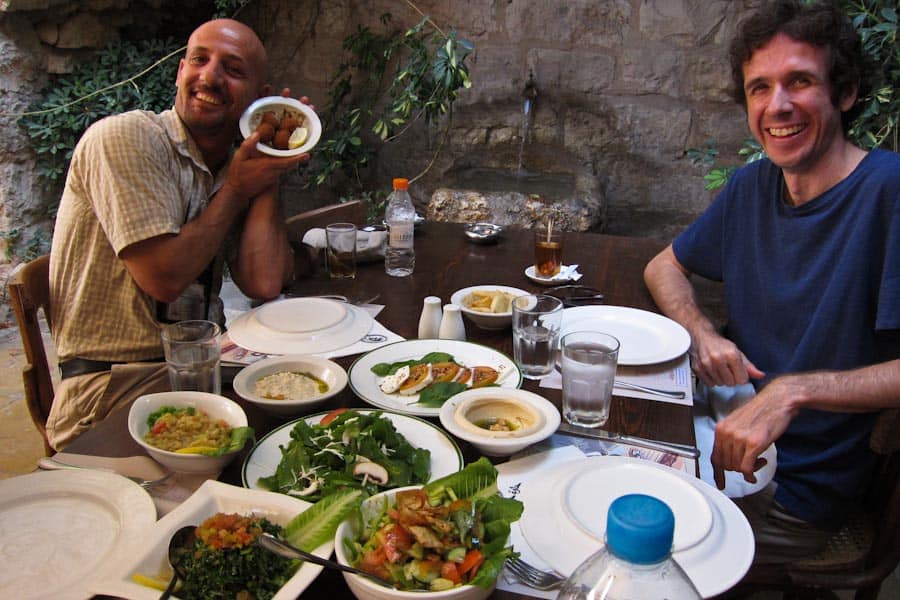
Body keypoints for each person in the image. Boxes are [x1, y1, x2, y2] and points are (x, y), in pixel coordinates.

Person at [644, 0, 899, 563]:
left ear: (847, 93)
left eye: (800, 81)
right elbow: (663, 266)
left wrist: (794, 389)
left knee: (616, 531)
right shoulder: (753, 186)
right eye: (759, 88)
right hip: (711, 436)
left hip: (794, 493)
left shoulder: (888, 191)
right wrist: (703, 333)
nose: (776, 105)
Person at [47, 19, 313, 450]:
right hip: (108, 394)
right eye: (199, 59)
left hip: (201, 370)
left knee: (315, 406)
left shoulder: (230, 169)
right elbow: (165, 280)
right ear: (179, 72)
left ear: (257, 98)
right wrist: (238, 188)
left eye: (233, 68)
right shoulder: (125, 139)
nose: (209, 76)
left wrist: (270, 164)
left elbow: (264, 282)